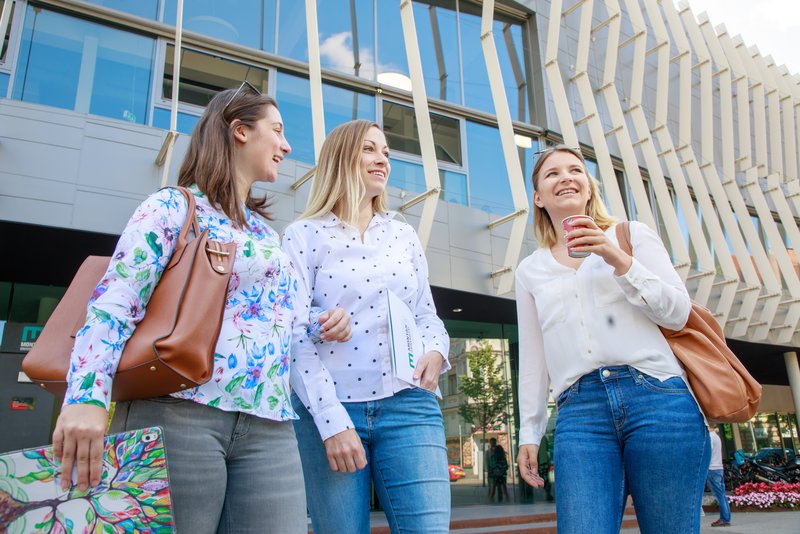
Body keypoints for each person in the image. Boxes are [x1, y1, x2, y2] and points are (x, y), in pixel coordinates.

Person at [51, 84, 351, 533]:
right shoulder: (172, 207)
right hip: (180, 413)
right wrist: (86, 398)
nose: (287, 146)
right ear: (240, 131)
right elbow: (114, 302)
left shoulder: (266, 236)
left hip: (270, 424)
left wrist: (320, 324)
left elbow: (271, 324)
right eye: (278, 130)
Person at [514, 145, 710, 534]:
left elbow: (677, 311)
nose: (566, 177)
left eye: (575, 170)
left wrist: (616, 257)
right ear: (538, 197)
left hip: (658, 399)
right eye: (551, 174)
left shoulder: (631, 235)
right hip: (580, 411)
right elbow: (534, 362)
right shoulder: (529, 271)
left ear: (588, 189)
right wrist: (529, 432)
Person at [282, 119, 452, 534]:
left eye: (387, 153)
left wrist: (436, 349)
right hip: (333, 410)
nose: (382, 160)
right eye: (370, 149)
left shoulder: (403, 235)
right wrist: (330, 420)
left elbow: (426, 313)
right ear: (341, 158)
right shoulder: (302, 236)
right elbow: (290, 336)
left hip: (410, 403)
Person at [706, 425, 732, 527]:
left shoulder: (710, 437)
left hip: (712, 468)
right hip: (719, 468)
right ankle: (726, 517)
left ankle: (724, 519)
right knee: (722, 494)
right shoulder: (717, 437)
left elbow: (708, 453)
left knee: (719, 495)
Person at [487, 438, 509, 502]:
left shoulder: (496, 451)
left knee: (496, 486)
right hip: (498, 471)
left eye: (493, 442)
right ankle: (505, 498)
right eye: (491, 443)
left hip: (497, 471)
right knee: (501, 486)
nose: (492, 444)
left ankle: (492, 499)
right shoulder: (491, 451)